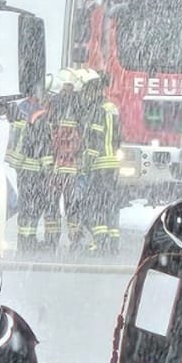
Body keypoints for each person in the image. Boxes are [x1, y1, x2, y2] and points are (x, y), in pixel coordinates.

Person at [4, 75, 55, 253]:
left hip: (22, 166)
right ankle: (29, 241)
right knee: (35, 204)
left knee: (27, 204)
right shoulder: (36, 113)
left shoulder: (22, 107)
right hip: (33, 167)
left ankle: (25, 241)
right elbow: (39, 143)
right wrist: (48, 166)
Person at [78, 69, 124, 254]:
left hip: (100, 165)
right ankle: (113, 244)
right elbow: (118, 136)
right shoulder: (112, 108)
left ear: (95, 91)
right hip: (113, 163)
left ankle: (100, 242)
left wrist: (85, 166)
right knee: (110, 204)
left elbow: (94, 139)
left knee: (94, 204)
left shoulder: (97, 110)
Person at [46, 69, 87, 251]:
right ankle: (72, 238)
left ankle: (54, 239)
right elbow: (81, 140)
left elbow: (50, 137)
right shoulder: (79, 106)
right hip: (68, 167)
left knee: (56, 204)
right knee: (69, 205)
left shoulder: (55, 105)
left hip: (58, 167)